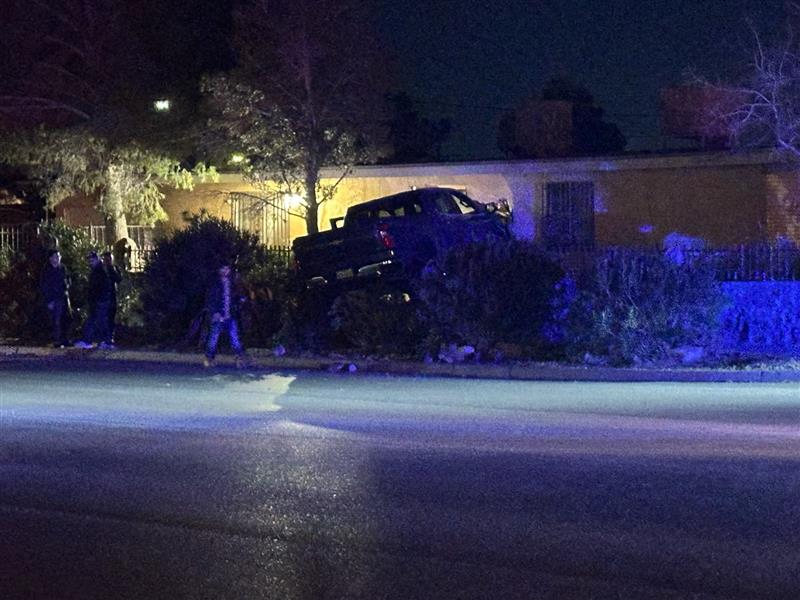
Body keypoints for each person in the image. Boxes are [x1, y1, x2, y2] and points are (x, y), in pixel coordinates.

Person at [203, 261, 246, 367]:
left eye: (227, 269)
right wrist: (215, 312)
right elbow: (211, 299)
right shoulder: (215, 284)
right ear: (219, 270)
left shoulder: (231, 283)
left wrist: (240, 300)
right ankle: (209, 357)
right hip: (218, 316)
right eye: (223, 269)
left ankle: (238, 357)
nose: (226, 271)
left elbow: (234, 297)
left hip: (230, 315)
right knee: (214, 338)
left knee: (234, 337)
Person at [74, 251, 113, 349]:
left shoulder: (99, 271)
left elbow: (98, 287)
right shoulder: (98, 270)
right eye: (90, 260)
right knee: (100, 321)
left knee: (94, 321)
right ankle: (104, 341)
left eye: (92, 260)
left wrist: (95, 298)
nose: (90, 262)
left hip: (99, 300)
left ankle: (90, 341)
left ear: (97, 259)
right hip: (100, 300)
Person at [39, 249, 72, 347]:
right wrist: (49, 300)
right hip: (54, 298)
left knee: (66, 318)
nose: (57, 259)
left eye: (58, 257)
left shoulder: (62, 268)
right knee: (56, 320)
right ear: (50, 259)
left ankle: (65, 339)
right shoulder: (47, 271)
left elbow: (68, 279)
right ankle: (57, 340)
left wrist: (67, 285)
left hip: (64, 297)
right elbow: (44, 286)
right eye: (55, 257)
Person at [102, 250, 122, 346]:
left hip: (112, 297)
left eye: (110, 259)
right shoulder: (102, 269)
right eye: (106, 259)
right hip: (103, 297)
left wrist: (112, 269)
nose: (108, 261)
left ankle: (110, 337)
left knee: (111, 318)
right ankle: (104, 338)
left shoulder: (114, 268)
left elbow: (118, 279)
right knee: (104, 318)